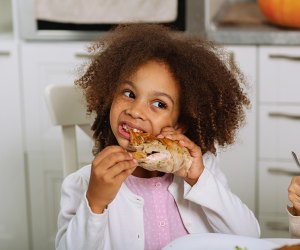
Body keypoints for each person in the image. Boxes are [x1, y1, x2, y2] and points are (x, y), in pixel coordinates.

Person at [55, 23, 260, 250]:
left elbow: (249, 236)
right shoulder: (85, 183)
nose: (135, 110)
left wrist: (198, 178)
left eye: (159, 104)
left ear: (180, 124)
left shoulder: (202, 171)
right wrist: (95, 202)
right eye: (129, 93)